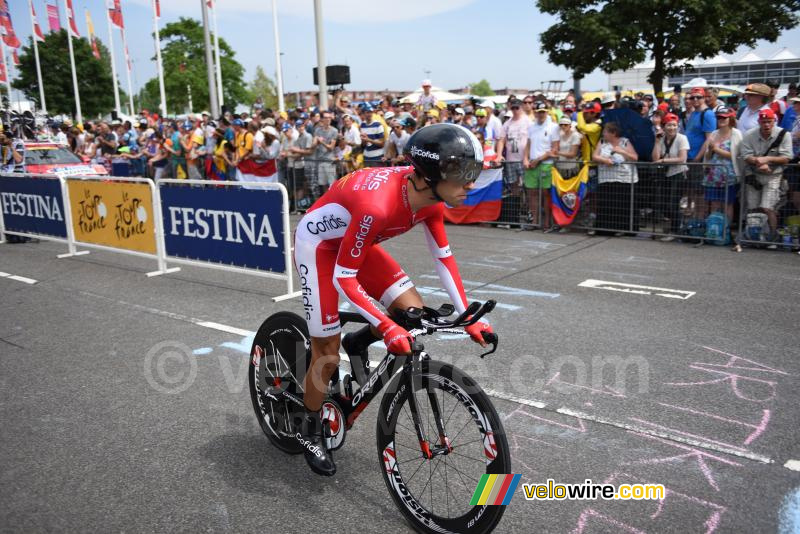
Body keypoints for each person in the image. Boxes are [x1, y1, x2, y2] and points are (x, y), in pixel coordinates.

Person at [292, 123, 493, 476]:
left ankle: (360, 340)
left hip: (356, 243)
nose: (470, 184)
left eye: (471, 173)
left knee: (411, 312)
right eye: (462, 175)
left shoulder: (430, 201)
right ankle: (309, 428)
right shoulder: (378, 206)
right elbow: (344, 278)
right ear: (431, 174)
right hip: (321, 249)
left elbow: (444, 258)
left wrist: (468, 317)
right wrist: (384, 326)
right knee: (326, 352)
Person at [740, 108, 793, 242]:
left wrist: (767, 159)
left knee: (768, 207)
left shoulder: (784, 134)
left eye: (769, 121)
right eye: (764, 122)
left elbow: (787, 157)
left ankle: (773, 237)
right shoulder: (749, 134)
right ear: (759, 122)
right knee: (753, 207)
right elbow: (745, 155)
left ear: (774, 121)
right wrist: (758, 161)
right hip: (753, 174)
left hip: (773, 175)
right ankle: (753, 236)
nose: (767, 125)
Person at [593, 122, 639, 235]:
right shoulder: (602, 142)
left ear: (613, 133)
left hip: (624, 178)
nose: (603, 133)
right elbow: (594, 156)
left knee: (623, 204)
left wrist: (622, 151)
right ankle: (606, 229)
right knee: (607, 204)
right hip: (606, 178)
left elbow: (635, 157)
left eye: (605, 131)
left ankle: (625, 229)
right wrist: (605, 160)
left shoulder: (625, 141)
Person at [651, 113, 689, 239]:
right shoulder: (662, 139)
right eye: (669, 125)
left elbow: (682, 158)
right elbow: (655, 158)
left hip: (678, 173)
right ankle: (673, 227)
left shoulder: (682, 138)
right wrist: (656, 141)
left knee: (673, 203)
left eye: (674, 125)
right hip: (666, 174)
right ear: (664, 126)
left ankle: (675, 231)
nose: (672, 128)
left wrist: (663, 161)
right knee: (664, 203)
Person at [523, 102, 560, 231]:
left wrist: (538, 160)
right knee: (532, 193)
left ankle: (547, 222)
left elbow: (554, 149)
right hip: (532, 164)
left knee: (546, 194)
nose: (541, 114)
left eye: (543, 111)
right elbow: (528, 145)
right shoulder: (531, 127)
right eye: (539, 111)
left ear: (547, 112)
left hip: (545, 164)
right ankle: (535, 221)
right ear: (535, 112)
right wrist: (526, 159)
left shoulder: (553, 127)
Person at [702, 107, 742, 222]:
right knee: (714, 204)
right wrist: (710, 150)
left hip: (729, 175)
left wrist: (716, 149)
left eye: (724, 117)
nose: (721, 119)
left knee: (727, 204)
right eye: (719, 117)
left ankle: (726, 230)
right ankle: (714, 230)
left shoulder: (736, 134)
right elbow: (708, 157)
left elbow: (736, 156)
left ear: (730, 119)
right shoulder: (714, 134)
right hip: (713, 176)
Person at [311, 111, 339, 194]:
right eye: (326, 117)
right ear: (322, 119)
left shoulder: (334, 130)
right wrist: (315, 142)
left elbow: (331, 147)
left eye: (329, 117)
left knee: (332, 184)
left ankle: (333, 202)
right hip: (320, 160)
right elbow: (313, 145)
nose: (328, 119)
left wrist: (321, 142)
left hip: (329, 161)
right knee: (323, 184)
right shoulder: (317, 130)